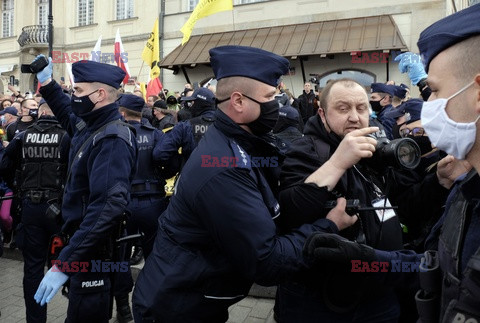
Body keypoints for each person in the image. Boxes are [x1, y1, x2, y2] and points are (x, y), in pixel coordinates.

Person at [132, 45, 356, 323]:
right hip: (175, 309)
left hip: (195, 299)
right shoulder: (224, 167)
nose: (277, 105)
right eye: (270, 97)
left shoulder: (241, 144)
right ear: (238, 102)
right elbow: (267, 261)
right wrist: (329, 226)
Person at [305, 4, 480, 322]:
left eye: (435, 90)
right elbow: (434, 266)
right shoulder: (467, 188)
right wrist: (369, 259)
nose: (427, 107)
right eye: (343, 108)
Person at [274, 78, 452, 322]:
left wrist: (439, 181)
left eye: (361, 108)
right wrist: (337, 163)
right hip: (324, 301)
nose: (355, 117)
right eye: (343, 108)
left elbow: (403, 209)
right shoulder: (306, 151)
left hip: (380, 290)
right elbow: (292, 211)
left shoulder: (376, 149)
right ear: (322, 114)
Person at [31, 56, 137, 322]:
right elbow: (67, 113)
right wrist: (46, 82)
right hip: (82, 248)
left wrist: (65, 264)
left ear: (100, 94)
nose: (73, 95)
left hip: (94, 254)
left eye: (78, 90)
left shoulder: (112, 139)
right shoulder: (92, 124)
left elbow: (106, 209)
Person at [0, 100, 70, 323]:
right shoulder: (66, 136)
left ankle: (35, 319)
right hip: (59, 208)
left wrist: (17, 186)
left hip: (30, 207)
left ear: (39, 112)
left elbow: (4, 165)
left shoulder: (23, 136)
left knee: (32, 267)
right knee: (68, 262)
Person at [114, 94, 170, 323]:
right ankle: (150, 305)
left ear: (122, 112)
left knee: (120, 258)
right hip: (152, 203)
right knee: (154, 258)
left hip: (122, 204)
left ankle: (124, 310)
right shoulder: (156, 134)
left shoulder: (116, 134)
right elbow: (169, 163)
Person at [153, 87, 216, 172]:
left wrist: (181, 162)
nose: (190, 106)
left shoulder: (185, 127)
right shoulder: (228, 124)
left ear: (199, 104)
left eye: (192, 103)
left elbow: (159, 154)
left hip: (193, 177)